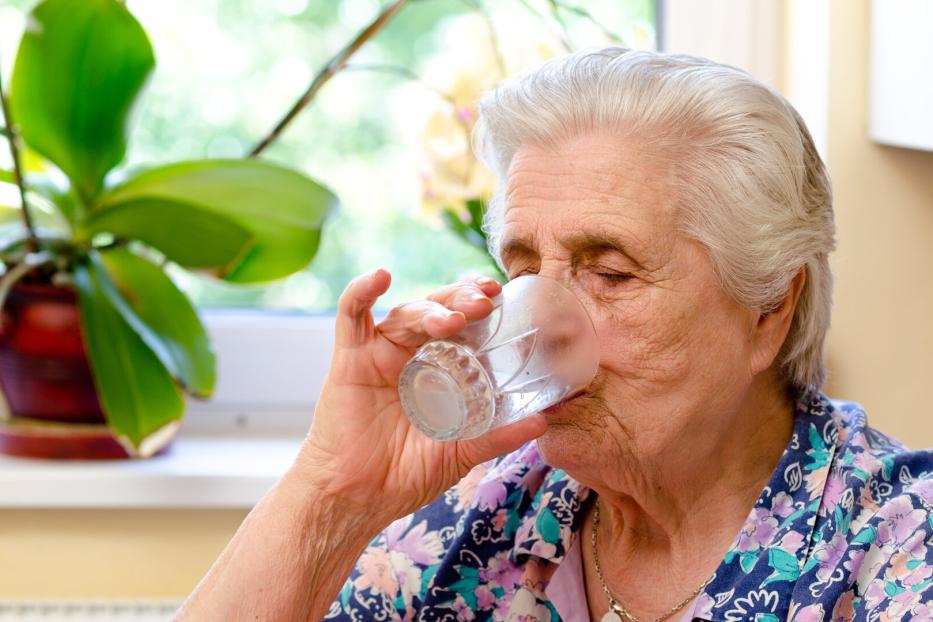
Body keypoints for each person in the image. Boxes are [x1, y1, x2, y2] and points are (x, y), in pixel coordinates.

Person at [176, 48, 933, 622]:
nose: (539, 329)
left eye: (610, 274)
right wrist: (332, 492)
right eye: (524, 270)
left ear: (769, 305)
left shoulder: (898, 550)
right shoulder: (482, 506)